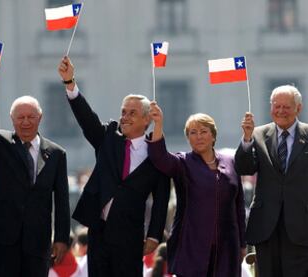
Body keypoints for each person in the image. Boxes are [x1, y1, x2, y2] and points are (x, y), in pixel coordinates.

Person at [58, 56, 170, 277]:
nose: (125, 117)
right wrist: (70, 83)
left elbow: (161, 197)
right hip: (99, 231)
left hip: (131, 236)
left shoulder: (157, 154)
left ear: (147, 120)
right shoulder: (109, 137)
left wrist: (154, 235)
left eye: (132, 113)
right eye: (123, 112)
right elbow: (87, 120)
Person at [0, 95, 70, 277]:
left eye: (31, 117)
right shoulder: (2, 142)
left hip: (38, 240)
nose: (25, 122)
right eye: (20, 117)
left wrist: (61, 238)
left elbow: (62, 200)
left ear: (40, 118)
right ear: (12, 119)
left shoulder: (56, 154)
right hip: (3, 238)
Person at [148, 102, 246, 277]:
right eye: (193, 133)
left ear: (213, 136)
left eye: (203, 132)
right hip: (192, 245)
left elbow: (238, 206)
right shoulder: (182, 163)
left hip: (226, 247)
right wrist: (158, 124)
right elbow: (159, 158)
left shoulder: (231, 162)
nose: (198, 136)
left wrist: (242, 244)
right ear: (188, 138)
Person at [235, 84, 308, 277]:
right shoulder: (258, 134)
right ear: (271, 108)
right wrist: (247, 139)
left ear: (298, 108)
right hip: (266, 226)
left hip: (301, 227)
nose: (281, 111)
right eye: (277, 106)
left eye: (286, 106)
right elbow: (244, 168)